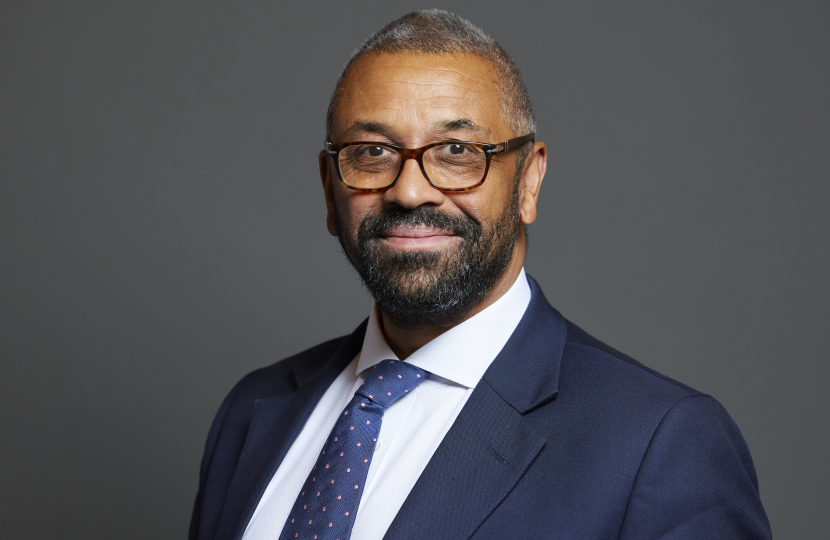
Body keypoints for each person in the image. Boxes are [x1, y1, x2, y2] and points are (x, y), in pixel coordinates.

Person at [190, 10, 771, 540]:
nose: (409, 190)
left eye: (457, 152)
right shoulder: (254, 410)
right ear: (328, 186)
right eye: (371, 152)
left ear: (529, 182)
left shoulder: (661, 444)